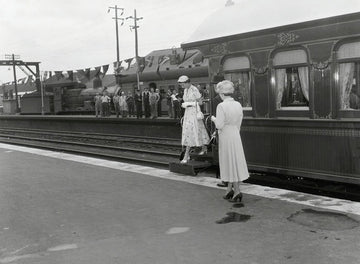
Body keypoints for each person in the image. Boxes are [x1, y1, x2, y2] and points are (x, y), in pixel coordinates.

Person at [211, 80, 249, 202]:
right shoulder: (238, 104)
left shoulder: (221, 106)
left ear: (222, 94)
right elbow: (239, 122)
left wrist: (212, 118)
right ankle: (229, 189)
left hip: (226, 136)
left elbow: (219, 125)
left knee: (228, 162)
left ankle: (237, 191)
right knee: (235, 162)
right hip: (235, 135)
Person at [178, 75, 209, 163]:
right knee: (197, 130)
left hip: (194, 113)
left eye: (182, 84)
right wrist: (185, 104)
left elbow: (200, 102)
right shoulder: (185, 90)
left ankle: (186, 155)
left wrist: (189, 104)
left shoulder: (194, 89)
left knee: (191, 131)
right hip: (188, 113)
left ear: (187, 82)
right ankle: (204, 148)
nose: (181, 86)